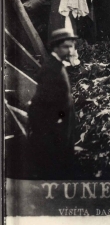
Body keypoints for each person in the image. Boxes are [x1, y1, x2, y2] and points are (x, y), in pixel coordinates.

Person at [27, 28, 78, 179]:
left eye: (71, 46)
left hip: (61, 127)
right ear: (55, 47)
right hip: (55, 130)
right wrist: (60, 119)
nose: (70, 50)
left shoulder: (57, 65)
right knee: (56, 166)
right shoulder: (51, 69)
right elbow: (46, 103)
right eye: (66, 47)